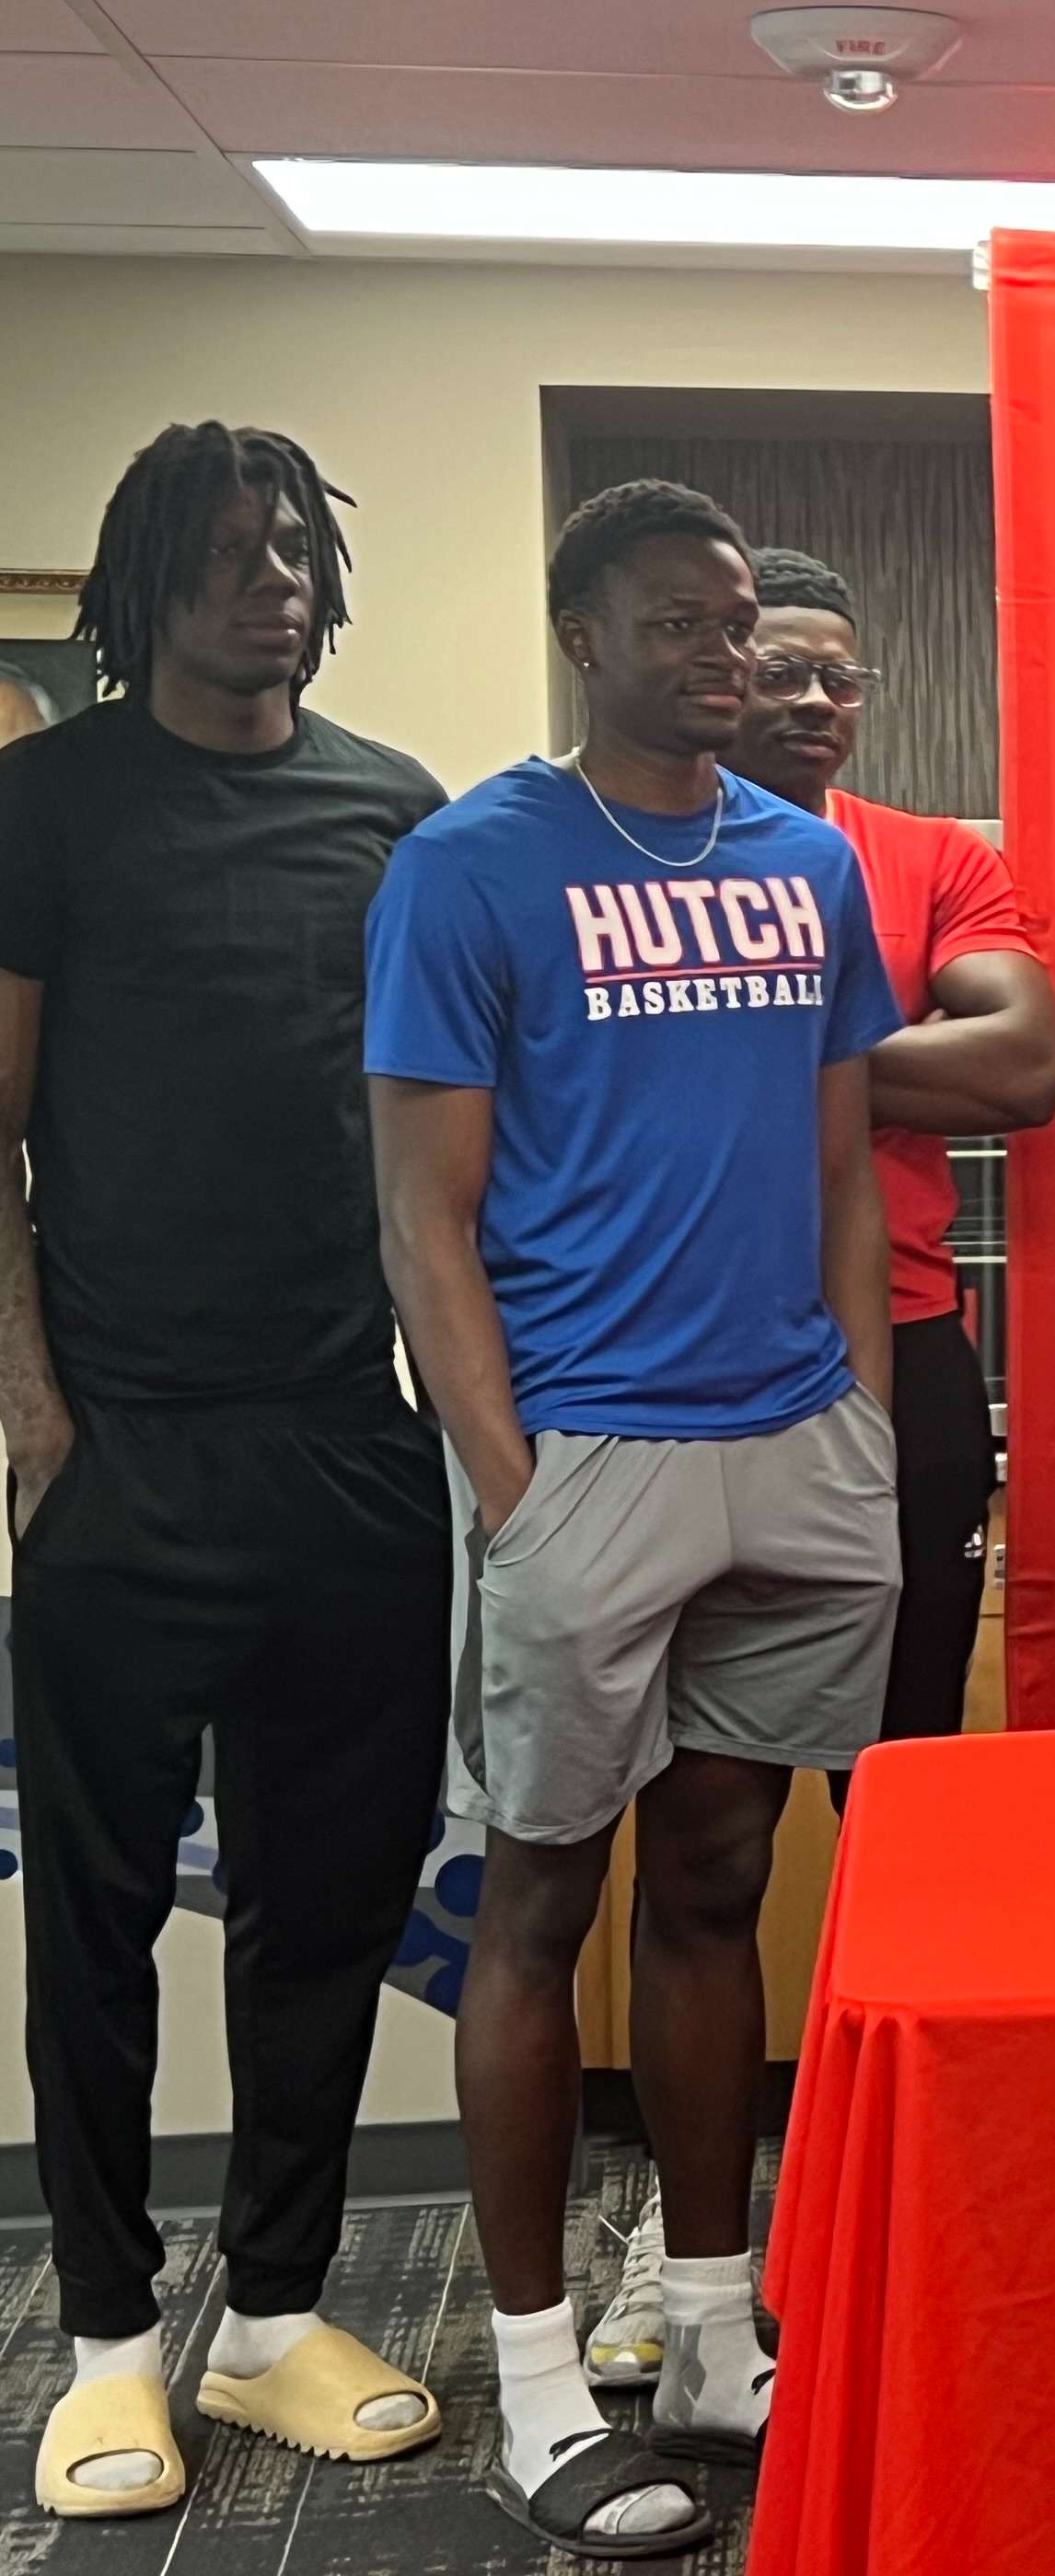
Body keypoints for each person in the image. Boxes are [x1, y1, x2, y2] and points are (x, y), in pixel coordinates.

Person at [368, 479, 903, 2559]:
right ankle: (525, 2383)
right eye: (680, 616)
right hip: (584, 1451)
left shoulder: (805, 863)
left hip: (796, 1444)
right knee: (536, 1912)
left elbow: (847, 1160)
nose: (727, 645)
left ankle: (700, 2326)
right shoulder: (471, 866)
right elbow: (422, 1217)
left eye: (742, 612)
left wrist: (851, 1411)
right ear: (582, 634)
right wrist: (512, 1490)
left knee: (717, 1877)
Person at [0, 425, 447, 2521]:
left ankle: (270, 2317)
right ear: (142, 577)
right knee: (89, 1919)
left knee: (320, 1910)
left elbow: (451, 1139)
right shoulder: (46, 803)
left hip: (346, 1446)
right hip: (125, 1452)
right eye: (229, 549)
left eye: (294, 547)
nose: (271, 578)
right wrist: (36, 1412)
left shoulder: (394, 810)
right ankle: (103, 2342)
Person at [577, 546, 1055, 2393]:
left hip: (900, 1372)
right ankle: (689, 2236)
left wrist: (756, 1055)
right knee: (690, 1836)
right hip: (665, 1372)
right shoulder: (593, 863)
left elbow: (1020, 1062)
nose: (805, 696)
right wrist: (860, 1056)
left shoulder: (929, 855)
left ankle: (911, 2202)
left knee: (906, 1809)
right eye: (768, 662)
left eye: (834, 676)